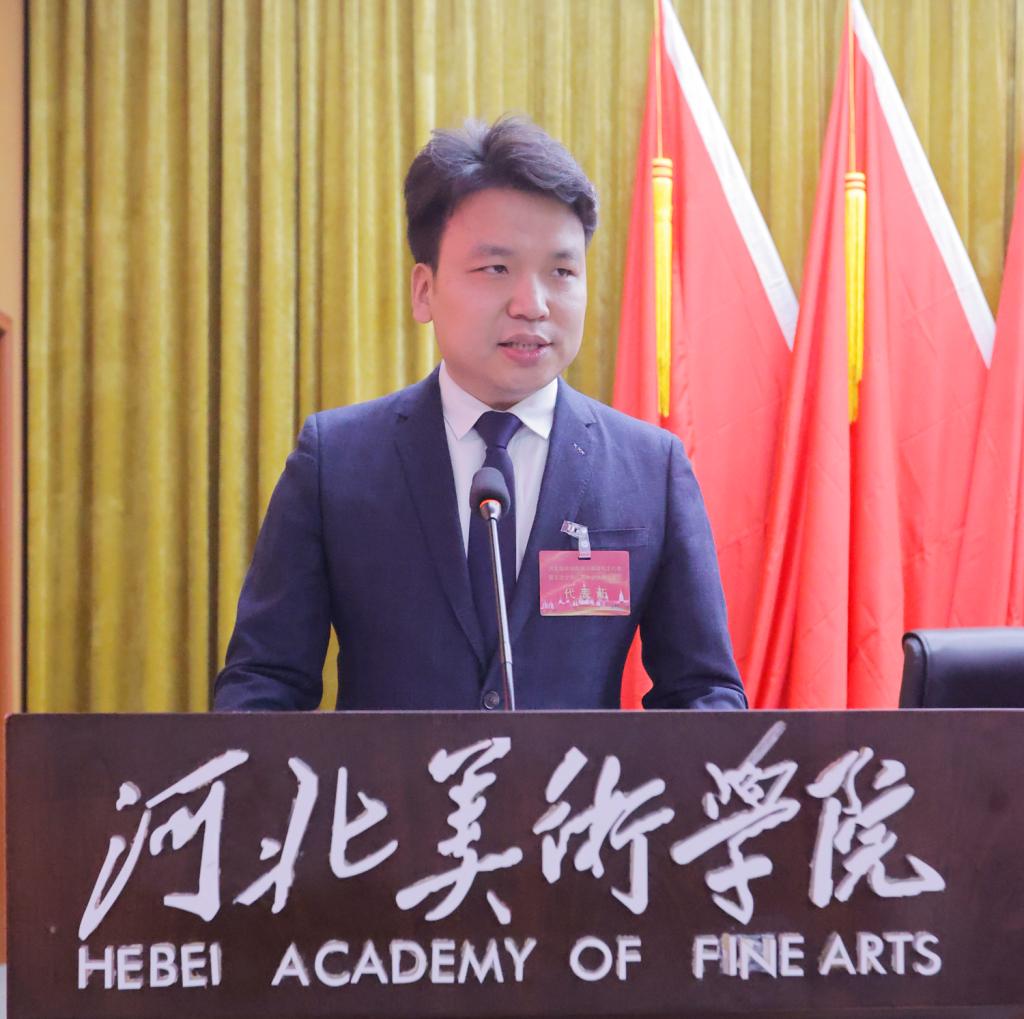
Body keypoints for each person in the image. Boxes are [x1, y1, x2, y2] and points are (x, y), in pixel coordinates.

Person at [214, 116, 746, 712]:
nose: (532, 305)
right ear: (425, 290)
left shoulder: (650, 469)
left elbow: (704, 693)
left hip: (579, 779)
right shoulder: (336, 462)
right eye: (496, 269)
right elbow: (263, 685)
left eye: (562, 272)